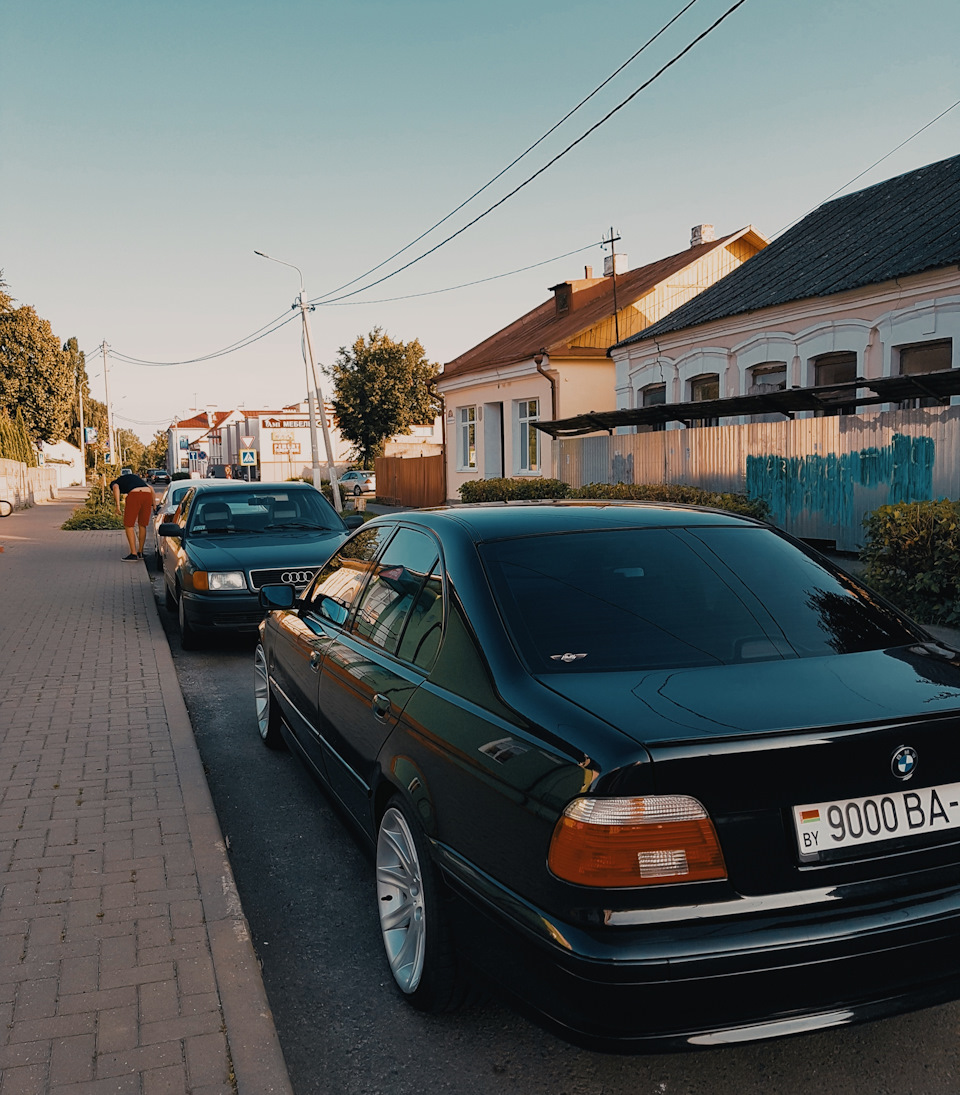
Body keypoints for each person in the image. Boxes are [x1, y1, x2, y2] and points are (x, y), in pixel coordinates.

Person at [109, 470, 155, 560]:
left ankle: (133, 554)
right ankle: (140, 552)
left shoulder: (115, 482)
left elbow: (115, 488)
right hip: (147, 495)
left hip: (135, 495)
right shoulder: (136, 479)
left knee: (129, 525)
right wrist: (154, 505)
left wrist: (117, 506)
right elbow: (151, 488)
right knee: (142, 525)